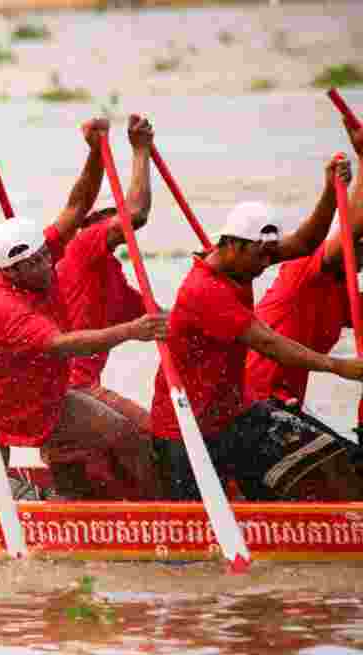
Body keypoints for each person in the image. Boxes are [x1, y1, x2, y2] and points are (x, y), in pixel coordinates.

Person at [0, 118, 168, 501]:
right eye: (37, 262)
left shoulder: (41, 258)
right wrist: (132, 330)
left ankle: (159, 512)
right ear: (13, 270)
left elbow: (77, 206)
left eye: (46, 255)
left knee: (126, 436)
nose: (48, 264)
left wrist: (93, 152)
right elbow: (62, 345)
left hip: (48, 397)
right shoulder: (3, 305)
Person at [151, 154, 363, 502]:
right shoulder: (204, 290)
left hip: (235, 413)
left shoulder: (243, 260)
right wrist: (339, 367)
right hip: (187, 430)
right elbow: (268, 342)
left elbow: (303, 244)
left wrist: (328, 189)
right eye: (261, 256)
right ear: (232, 245)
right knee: (196, 538)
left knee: (334, 457)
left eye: (270, 254)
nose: (267, 264)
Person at [51, 114, 158, 499]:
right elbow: (137, 215)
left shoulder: (113, 275)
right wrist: (140, 151)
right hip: (67, 387)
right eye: (106, 219)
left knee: (156, 434)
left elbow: (160, 321)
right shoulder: (80, 249)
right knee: (146, 434)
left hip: (85, 390)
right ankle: (162, 514)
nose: (113, 225)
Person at [245, 121, 363, 409]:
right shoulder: (308, 268)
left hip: (288, 400)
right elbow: (355, 225)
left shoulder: (343, 294)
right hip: (255, 398)